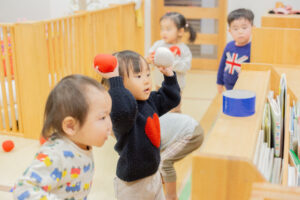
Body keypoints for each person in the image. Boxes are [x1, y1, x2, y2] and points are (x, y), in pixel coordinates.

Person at [13, 74, 112, 200]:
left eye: (109, 114)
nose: (110, 124)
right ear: (70, 126)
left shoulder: (81, 143)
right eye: (103, 117)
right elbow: (23, 190)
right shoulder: (56, 155)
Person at [99, 50, 180, 200]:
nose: (147, 80)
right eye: (138, 76)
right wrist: (115, 82)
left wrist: (169, 76)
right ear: (119, 84)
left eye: (148, 74)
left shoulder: (149, 101)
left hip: (153, 174)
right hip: (133, 184)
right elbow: (122, 113)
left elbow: (171, 98)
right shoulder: (123, 110)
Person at [147, 12, 196, 113]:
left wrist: (172, 61)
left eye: (168, 29)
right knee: (159, 107)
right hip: (159, 83)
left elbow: (186, 66)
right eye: (162, 29)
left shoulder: (184, 49)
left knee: (175, 108)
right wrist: (150, 59)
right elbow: (150, 58)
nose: (164, 32)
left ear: (180, 31)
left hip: (176, 86)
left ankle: (176, 124)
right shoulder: (158, 44)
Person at [159, 113, 204, 200]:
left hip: (192, 134)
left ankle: (171, 197)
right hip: (192, 127)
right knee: (160, 158)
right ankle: (163, 180)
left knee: (164, 162)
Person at [217, 8, 254, 93]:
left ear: (252, 28)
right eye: (235, 29)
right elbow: (222, 66)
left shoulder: (253, 48)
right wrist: (219, 83)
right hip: (228, 86)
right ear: (229, 31)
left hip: (244, 87)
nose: (240, 31)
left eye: (244, 28)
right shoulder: (229, 46)